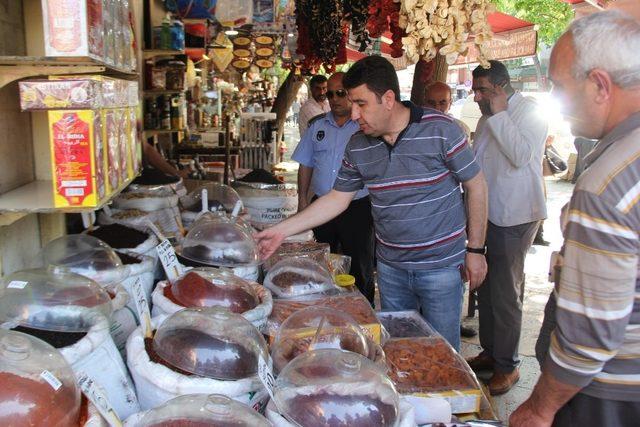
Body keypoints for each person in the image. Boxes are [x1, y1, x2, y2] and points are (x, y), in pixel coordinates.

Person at [256, 56, 488, 351]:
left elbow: (476, 185)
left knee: (441, 354)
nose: (354, 114)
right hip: (391, 269)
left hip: (440, 268)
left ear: (388, 99)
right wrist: (281, 231)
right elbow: (337, 199)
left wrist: (476, 250)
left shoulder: (442, 130)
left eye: (361, 104)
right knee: (398, 351)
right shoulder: (359, 145)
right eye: (351, 103)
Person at [511, 11, 640, 426]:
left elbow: (590, 335)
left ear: (601, 85)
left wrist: (540, 407)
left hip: (609, 396)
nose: (556, 100)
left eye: (560, 86)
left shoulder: (609, 183)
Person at [465, 60, 548, 395]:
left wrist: (499, 112)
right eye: (475, 90)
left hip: (515, 215)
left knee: (504, 293)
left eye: (481, 90)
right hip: (487, 213)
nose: (475, 97)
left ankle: (508, 365)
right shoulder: (487, 117)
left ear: (500, 88)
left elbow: (520, 154)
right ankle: (491, 351)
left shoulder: (529, 112)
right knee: (484, 286)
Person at [292, 72, 375, 303]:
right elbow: (305, 164)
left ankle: (362, 317)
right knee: (322, 264)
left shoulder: (364, 127)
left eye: (341, 93)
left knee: (359, 266)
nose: (335, 99)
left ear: (350, 94)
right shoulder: (317, 126)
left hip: (357, 207)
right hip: (321, 205)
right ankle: (327, 311)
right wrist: (302, 201)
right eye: (330, 94)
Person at [425, 81, 477, 339]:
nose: (437, 108)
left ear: (450, 103)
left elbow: (470, 180)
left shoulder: (459, 130)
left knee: (453, 278)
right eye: (432, 103)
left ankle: (451, 323)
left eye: (442, 103)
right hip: (425, 219)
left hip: (450, 214)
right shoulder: (414, 129)